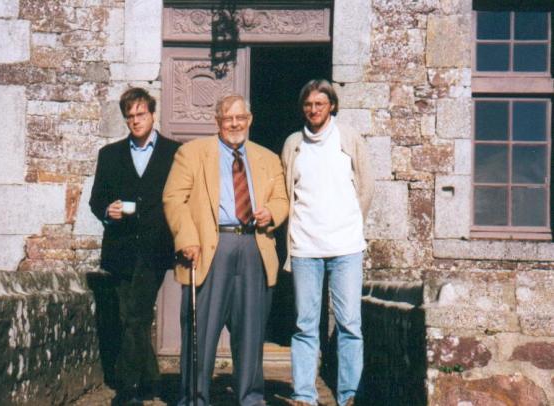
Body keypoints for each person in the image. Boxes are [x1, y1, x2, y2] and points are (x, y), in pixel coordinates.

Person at [163, 94, 289, 406]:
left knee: (250, 331)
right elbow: (173, 199)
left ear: (250, 119)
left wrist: (272, 212)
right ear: (218, 121)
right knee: (201, 331)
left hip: (253, 245)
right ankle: (195, 398)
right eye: (228, 119)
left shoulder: (268, 158)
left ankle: (251, 397)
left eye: (240, 118)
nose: (235, 124)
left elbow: (282, 199)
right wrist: (186, 238)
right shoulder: (191, 153)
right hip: (208, 247)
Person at [281, 79, 375, 406]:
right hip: (305, 247)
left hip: (346, 247)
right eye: (308, 104)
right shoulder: (294, 144)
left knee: (350, 323)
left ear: (331, 105)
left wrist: (347, 224)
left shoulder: (348, 139)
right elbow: (286, 192)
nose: (313, 110)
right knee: (306, 325)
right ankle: (304, 396)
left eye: (320, 104)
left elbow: (366, 188)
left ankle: (349, 396)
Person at [89, 87, 180, 406]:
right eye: (130, 116)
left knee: (136, 315)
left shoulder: (174, 152)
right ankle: (151, 379)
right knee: (133, 317)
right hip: (120, 247)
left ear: (152, 114)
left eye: (141, 114)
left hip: (156, 248)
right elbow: (96, 199)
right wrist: (107, 212)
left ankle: (127, 390)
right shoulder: (110, 154)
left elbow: (182, 198)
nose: (135, 121)